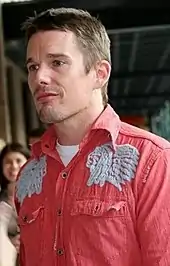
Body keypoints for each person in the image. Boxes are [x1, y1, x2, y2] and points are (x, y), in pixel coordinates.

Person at [15, 8, 170, 266]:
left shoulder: (153, 162)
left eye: (57, 62)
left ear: (100, 73)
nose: (39, 78)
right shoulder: (28, 175)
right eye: (33, 66)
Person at [0, 143, 30, 266]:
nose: (13, 166)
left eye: (18, 160)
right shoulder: (1, 200)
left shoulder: (41, 194)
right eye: (8, 162)